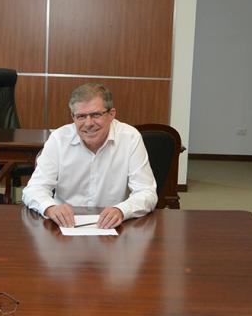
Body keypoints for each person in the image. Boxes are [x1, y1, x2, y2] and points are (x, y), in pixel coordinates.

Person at [22, 83, 157, 229]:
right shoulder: (59, 139)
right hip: (65, 227)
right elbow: (34, 189)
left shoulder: (130, 138)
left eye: (96, 115)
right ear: (73, 117)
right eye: (81, 116)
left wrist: (121, 210)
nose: (88, 123)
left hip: (113, 228)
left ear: (112, 114)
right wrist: (50, 207)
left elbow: (146, 192)